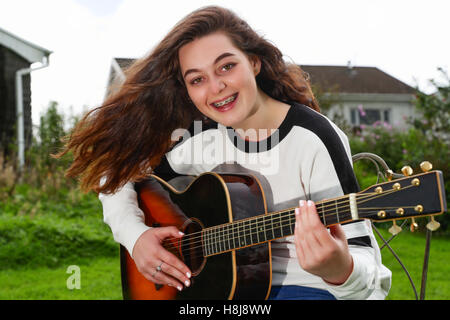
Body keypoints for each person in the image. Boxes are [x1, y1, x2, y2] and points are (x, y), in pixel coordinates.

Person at [59, 5, 391, 300]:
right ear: (187, 90)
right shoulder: (200, 140)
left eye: (226, 67)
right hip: (226, 288)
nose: (215, 87)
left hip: (312, 289)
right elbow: (114, 176)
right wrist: (137, 237)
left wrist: (338, 268)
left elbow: (367, 271)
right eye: (197, 79)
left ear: (254, 62)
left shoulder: (313, 138)